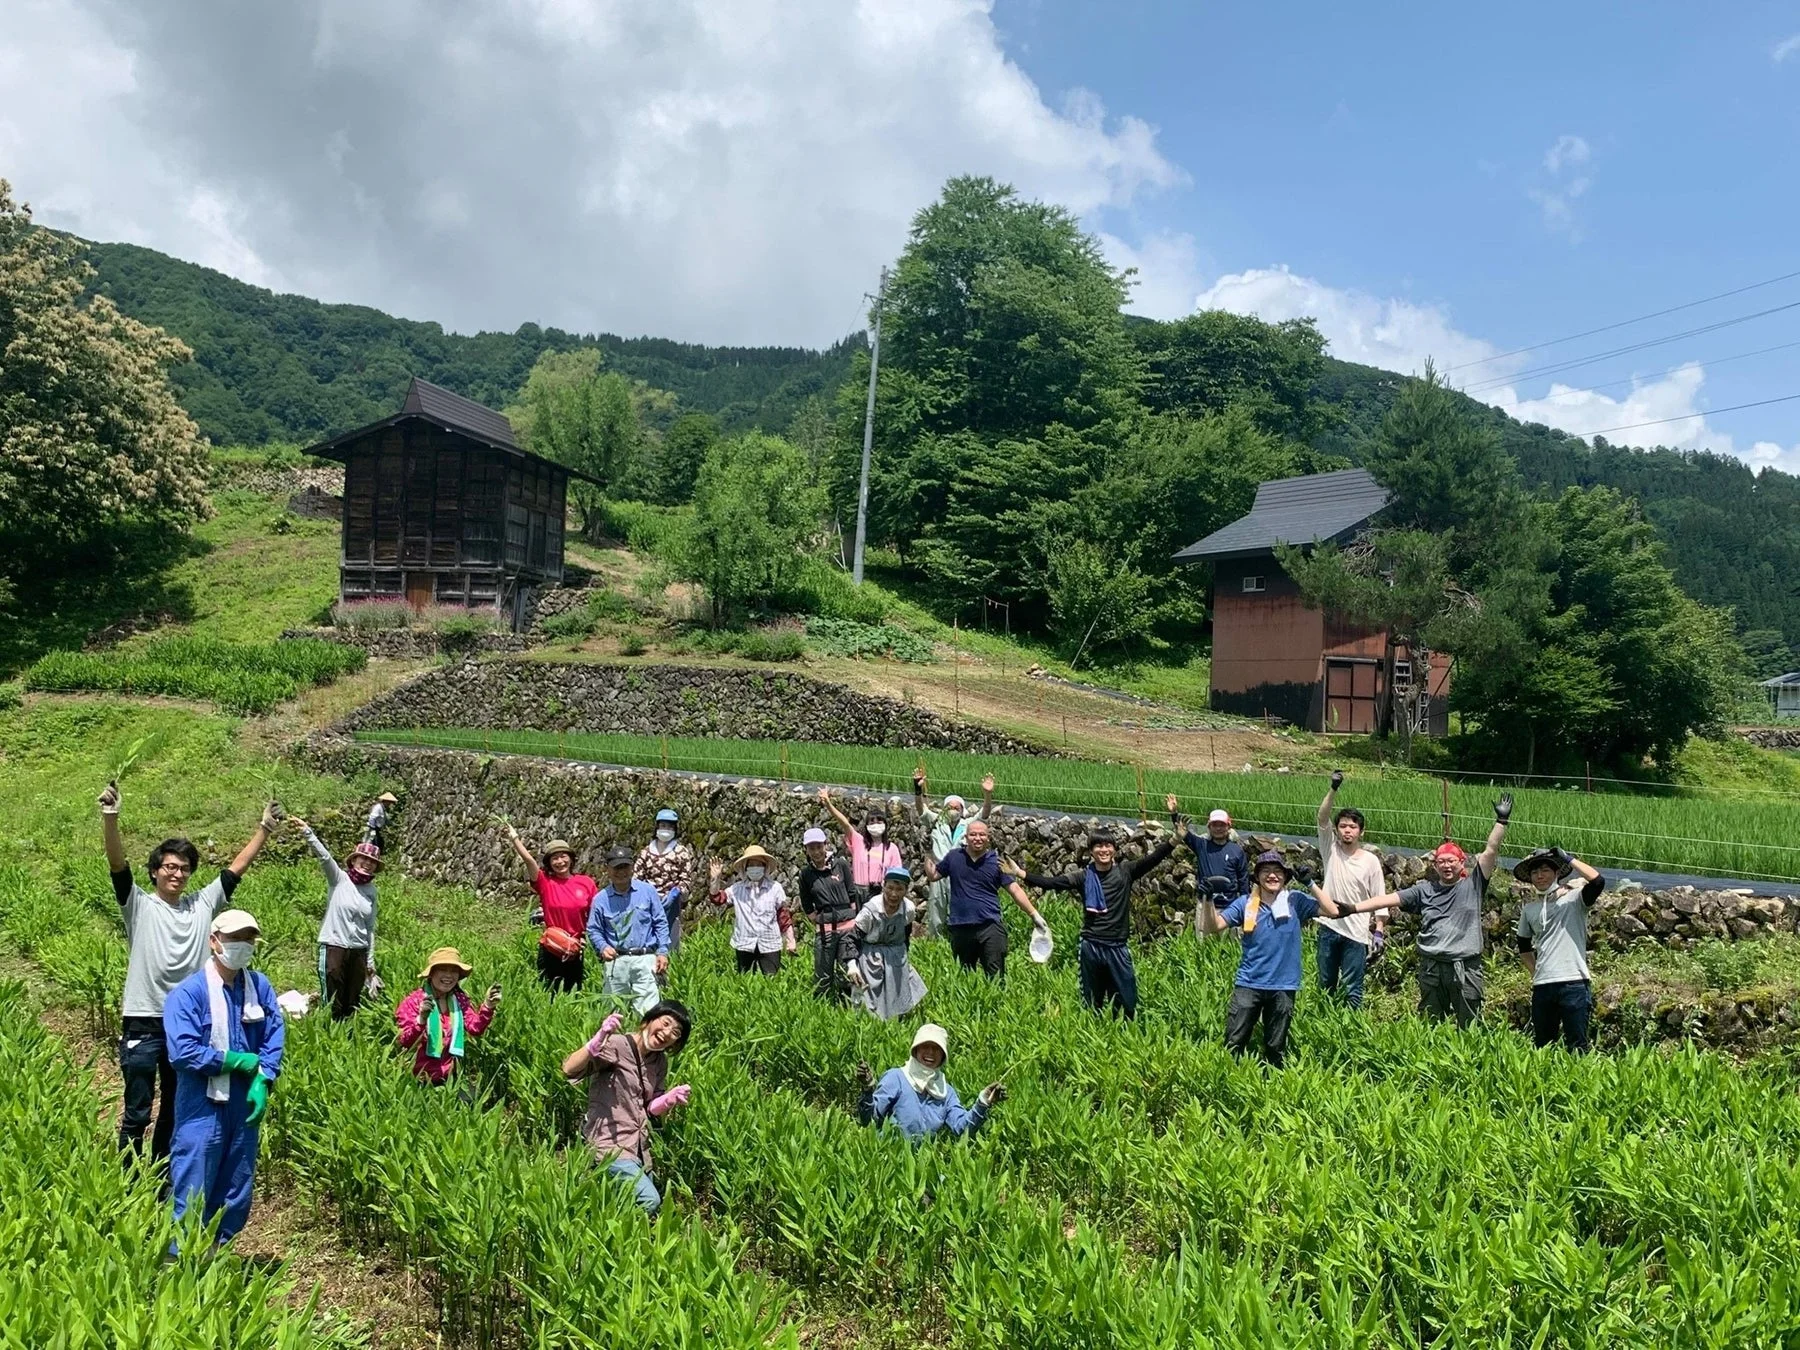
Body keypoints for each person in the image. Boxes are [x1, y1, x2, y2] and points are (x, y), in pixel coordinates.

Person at [100, 779, 276, 1163]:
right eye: (169, 867)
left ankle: (162, 1177)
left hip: (189, 1024)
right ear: (154, 872)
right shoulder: (139, 905)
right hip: (144, 1020)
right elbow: (116, 863)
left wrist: (264, 829)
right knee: (137, 1111)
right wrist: (110, 816)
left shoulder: (201, 905)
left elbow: (235, 870)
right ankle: (128, 1180)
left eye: (184, 869)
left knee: (176, 1108)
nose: (177, 874)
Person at [1331, 795, 1514, 1028]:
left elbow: (1490, 851)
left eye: (1451, 861)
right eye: (1441, 862)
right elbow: (1387, 899)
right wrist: (1352, 908)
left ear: (1462, 863)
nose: (1446, 866)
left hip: (1465, 967)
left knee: (1470, 1025)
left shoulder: (1474, 884)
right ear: (1435, 866)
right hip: (1432, 967)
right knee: (1430, 1024)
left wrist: (1501, 821)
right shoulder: (1424, 891)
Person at [162, 909, 284, 1247]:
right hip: (202, 1105)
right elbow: (183, 1052)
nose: (242, 946)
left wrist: (264, 1077)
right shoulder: (189, 993)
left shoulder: (258, 986)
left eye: (248, 939)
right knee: (194, 1182)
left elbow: (273, 1035)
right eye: (234, 939)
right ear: (214, 941)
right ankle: (179, 1263)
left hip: (243, 1103)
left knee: (236, 1184)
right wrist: (231, 1060)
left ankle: (216, 1256)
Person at [1200, 850, 1355, 1067]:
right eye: (1266, 871)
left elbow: (1333, 911)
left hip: (1284, 985)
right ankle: (1228, 1083)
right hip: (1248, 984)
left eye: (1277, 872)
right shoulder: (1245, 903)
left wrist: (1310, 883)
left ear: (1285, 877)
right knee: (1234, 1042)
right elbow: (1212, 927)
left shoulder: (1295, 901)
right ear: (1257, 877)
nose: (1272, 876)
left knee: (1275, 1046)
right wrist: (1207, 900)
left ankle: (1271, 1087)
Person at [1010, 828, 1174, 1019]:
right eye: (1098, 846)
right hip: (1091, 946)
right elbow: (1051, 883)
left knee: (1127, 1002)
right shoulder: (1083, 877)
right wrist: (1020, 873)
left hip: (1117, 947)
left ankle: (1122, 1034)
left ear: (1114, 849)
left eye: (1107, 845)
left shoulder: (1125, 872)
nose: (1103, 850)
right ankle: (1094, 1036)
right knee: (1091, 1002)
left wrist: (1175, 839)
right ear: (1090, 851)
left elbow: (1154, 858)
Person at [562, 1002, 693, 1217]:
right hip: (608, 1144)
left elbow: (650, 1108)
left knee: (651, 1202)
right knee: (649, 1200)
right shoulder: (617, 1044)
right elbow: (569, 1069)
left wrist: (668, 1100)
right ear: (649, 1020)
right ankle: (603, 1227)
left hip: (637, 1148)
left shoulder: (659, 1062)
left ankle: (601, 1213)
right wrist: (595, 1042)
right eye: (666, 1023)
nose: (667, 1033)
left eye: (676, 1033)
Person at [922, 819, 1047, 980]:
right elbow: (933, 875)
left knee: (995, 977)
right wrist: (928, 853)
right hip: (961, 927)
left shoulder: (996, 862)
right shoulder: (954, 857)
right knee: (963, 978)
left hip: (990, 926)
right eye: (973, 834)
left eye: (982, 835)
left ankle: (996, 1004)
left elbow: (1014, 889)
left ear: (988, 838)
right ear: (965, 837)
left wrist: (1034, 914)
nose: (977, 838)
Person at [1514, 846, 1605, 1051]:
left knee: (1578, 1045)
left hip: (1574, 982)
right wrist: (1535, 972)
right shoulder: (1529, 910)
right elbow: (1523, 946)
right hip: (1543, 985)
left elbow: (1598, 881)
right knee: (1543, 1046)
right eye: (1535, 872)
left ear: (1556, 873)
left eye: (1545, 870)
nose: (1540, 876)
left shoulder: (1575, 900)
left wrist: (1568, 857)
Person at [289, 816, 380, 1021]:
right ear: (354, 860)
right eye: (363, 859)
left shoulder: (371, 891)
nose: (367, 864)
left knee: (353, 996)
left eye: (372, 862)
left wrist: (370, 958)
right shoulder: (339, 879)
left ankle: (348, 1035)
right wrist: (307, 832)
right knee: (332, 995)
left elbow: (370, 926)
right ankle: (329, 1029)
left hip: (358, 949)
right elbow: (324, 857)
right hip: (334, 945)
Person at [1313, 770, 1389, 1009]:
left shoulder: (1370, 861)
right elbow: (1322, 818)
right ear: (1337, 830)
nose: (1347, 830)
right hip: (1328, 927)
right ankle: (1324, 1027)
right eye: (1343, 826)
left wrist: (1378, 931)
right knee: (1325, 984)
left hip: (1356, 934)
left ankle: (1350, 1031)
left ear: (1361, 832)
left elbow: (1380, 898)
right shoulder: (1330, 850)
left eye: (1353, 826)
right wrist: (1333, 788)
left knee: (1352, 988)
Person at [856, 1023, 1004, 1141]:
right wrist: (867, 1089)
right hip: (889, 1162)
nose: (930, 1053)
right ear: (915, 1049)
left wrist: (983, 1103)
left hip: (923, 1168)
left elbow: (962, 1129)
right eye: (925, 1046)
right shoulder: (896, 1078)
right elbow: (869, 1121)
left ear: (943, 1055)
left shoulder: (946, 1092)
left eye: (936, 1049)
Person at [505, 824, 597, 993]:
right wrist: (514, 838)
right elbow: (529, 861)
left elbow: (595, 914)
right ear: (549, 863)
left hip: (577, 949)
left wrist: (587, 938)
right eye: (554, 858)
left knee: (574, 994)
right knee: (549, 994)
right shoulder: (545, 882)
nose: (560, 862)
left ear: (571, 858)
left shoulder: (586, 882)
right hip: (552, 948)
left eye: (563, 856)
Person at [394, 948, 500, 1086]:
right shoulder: (413, 1002)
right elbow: (404, 1042)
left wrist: (488, 1006)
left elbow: (475, 1028)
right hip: (417, 1079)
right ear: (431, 974)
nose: (449, 975)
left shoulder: (459, 1000)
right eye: (443, 969)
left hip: (450, 1077)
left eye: (454, 971)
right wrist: (421, 1020)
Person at [585, 847, 671, 1013]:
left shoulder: (648, 891)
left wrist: (662, 952)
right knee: (613, 1012)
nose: (621, 872)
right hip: (616, 960)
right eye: (617, 868)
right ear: (608, 870)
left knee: (648, 1011)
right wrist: (603, 947)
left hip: (645, 958)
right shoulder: (600, 899)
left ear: (632, 868)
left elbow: (660, 922)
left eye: (625, 867)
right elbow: (594, 930)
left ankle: (645, 1039)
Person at [913, 771, 995, 938]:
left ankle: (956, 943)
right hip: (938, 872)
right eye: (949, 807)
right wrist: (917, 790)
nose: (953, 809)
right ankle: (935, 943)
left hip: (960, 873)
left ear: (962, 810)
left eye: (957, 807)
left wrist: (987, 794)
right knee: (936, 910)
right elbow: (921, 809)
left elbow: (984, 814)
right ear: (943, 809)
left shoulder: (969, 824)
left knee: (958, 910)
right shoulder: (936, 821)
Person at [849, 866, 928, 1020]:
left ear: (906, 890)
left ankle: (898, 1025)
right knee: (869, 1003)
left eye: (899, 889)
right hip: (871, 956)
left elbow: (905, 935)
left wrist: (903, 956)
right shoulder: (870, 911)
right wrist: (852, 966)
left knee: (897, 998)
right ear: (883, 886)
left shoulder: (909, 909)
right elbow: (852, 938)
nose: (893, 894)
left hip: (896, 956)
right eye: (890, 887)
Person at [1166, 795, 1251, 934]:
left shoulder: (1237, 851)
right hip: (1205, 904)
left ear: (1229, 826)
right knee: (1204, 944)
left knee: (1230, 946)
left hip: (1230, 907)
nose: (1218, 828)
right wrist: (1174, 813)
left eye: (1222, 825)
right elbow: (1183, 833)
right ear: (1209, 827)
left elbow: (1243, 881)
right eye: (1215, 825)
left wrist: (1245, 908)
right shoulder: (1202, 846)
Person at [797, 826, 863, 1002]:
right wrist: (818, 920)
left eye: (819, 846)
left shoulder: (840, 864)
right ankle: (823, 1007)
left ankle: (847, 1007)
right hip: (825, 930)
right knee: (823, 974)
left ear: (825, 845)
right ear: (806, 850)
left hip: (847, 929)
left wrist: (851, 918)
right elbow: (806, 904)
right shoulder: (805, 874)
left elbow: (851, 892)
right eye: (812, 848)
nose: (816, 851)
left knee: (846, 971)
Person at [707, 843, 796, 975]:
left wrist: (791, 940)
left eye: (759, 864)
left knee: (772, 981)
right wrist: (715, 880)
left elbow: (783, 916)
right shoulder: (737, 889)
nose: (755, 868)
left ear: (765, 867)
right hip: (745, 942)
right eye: (751, 864)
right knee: (745, 980)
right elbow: (717, 899)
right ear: (745, 868)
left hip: (769, 942)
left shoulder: (775, 888)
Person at [819, 788, 903, 897]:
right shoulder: (859, 841)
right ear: (866, 825)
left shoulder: (891, 848)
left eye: (879, 821)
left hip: (881, 894)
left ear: (885, 825)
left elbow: (897, 876)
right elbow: (844, 823)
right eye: (871, 821)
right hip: (858, 891)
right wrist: (828, 804)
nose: (875, 824)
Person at [636, 809, 694, 956]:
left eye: (670, 827)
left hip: (671, 902)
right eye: (663, 826)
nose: (665, 830)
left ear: (675, 830)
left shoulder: (681, 852)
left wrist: (675, 893)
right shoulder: (646, 852)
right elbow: (637, 878)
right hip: (647, 902)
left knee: (670, 938)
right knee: (647, 936)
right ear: (656, 827)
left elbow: (686, 879)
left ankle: (670, 969)